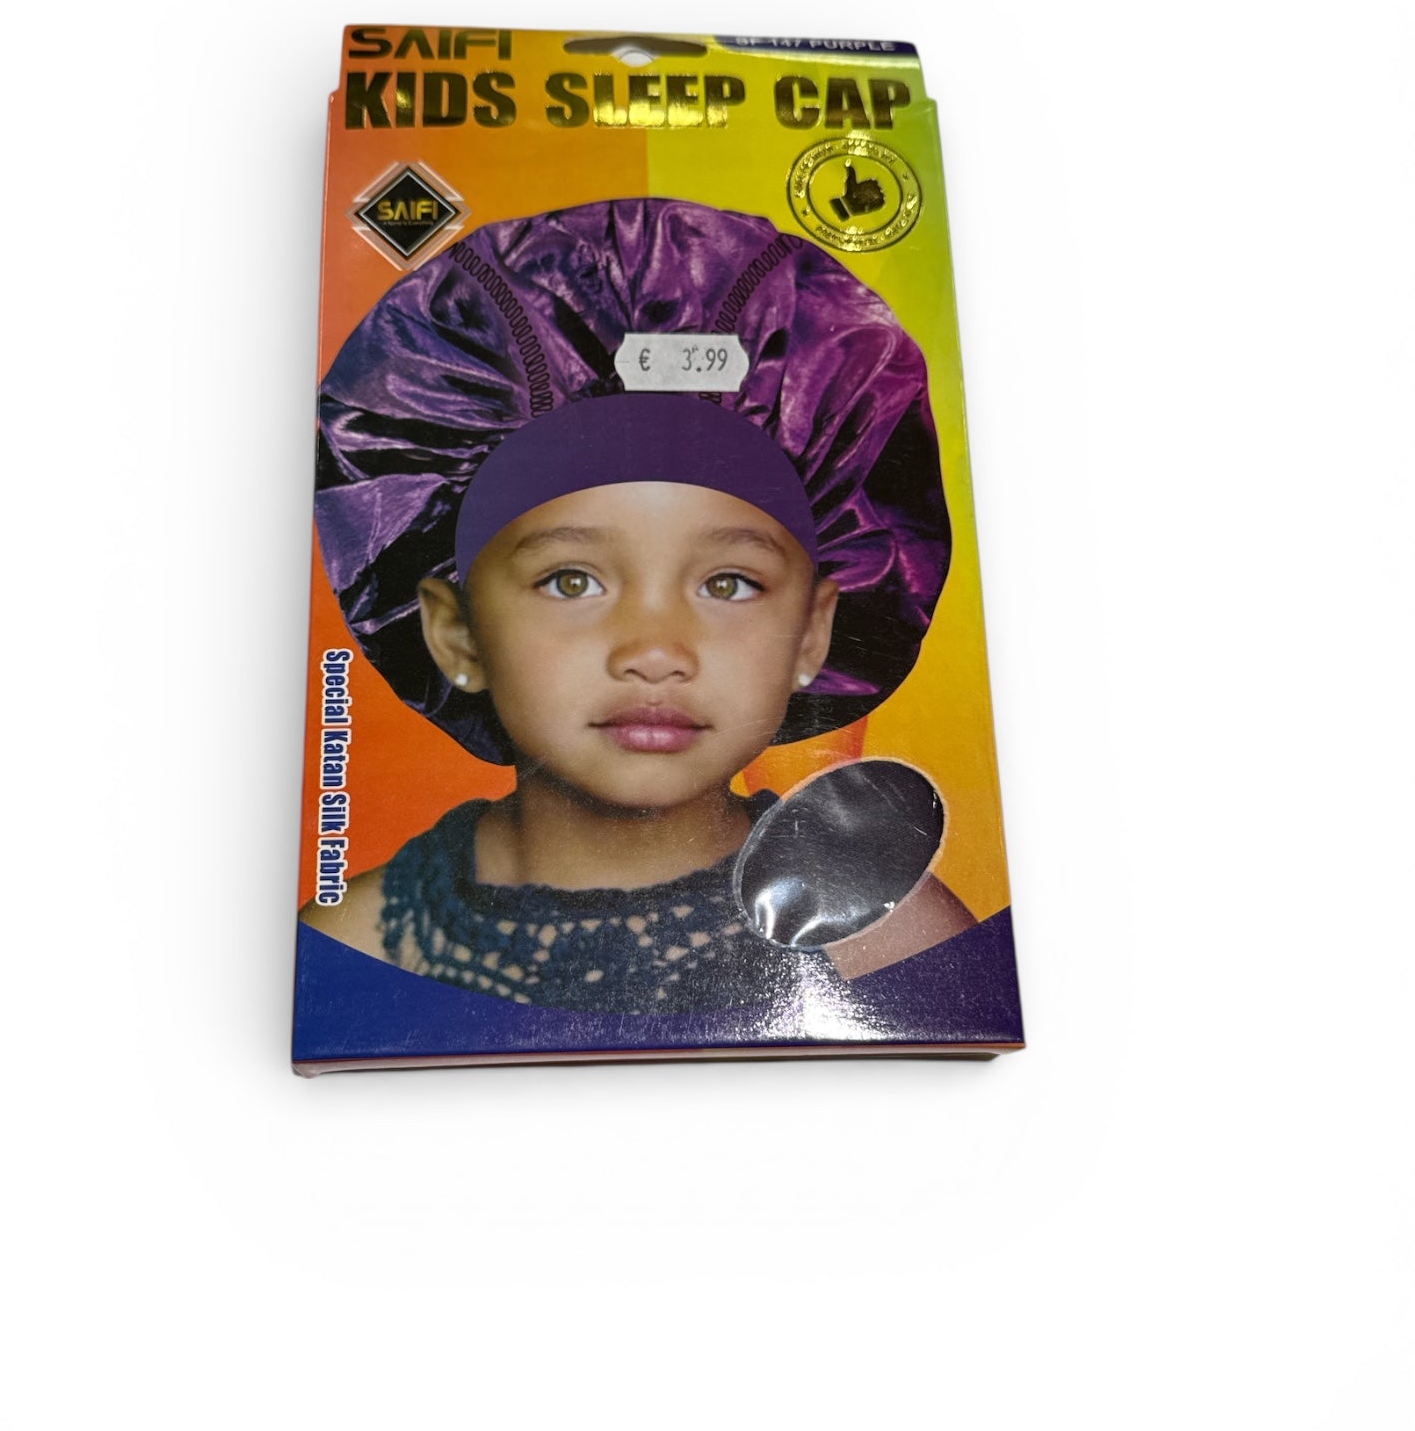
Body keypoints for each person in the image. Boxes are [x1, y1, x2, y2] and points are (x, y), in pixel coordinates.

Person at [302, 198, 973, 1014]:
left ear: (813, 632)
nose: (656, 650)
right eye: (571, 581)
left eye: (728, 584)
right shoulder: (352, 950)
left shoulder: (889, 937)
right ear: (456, 634)